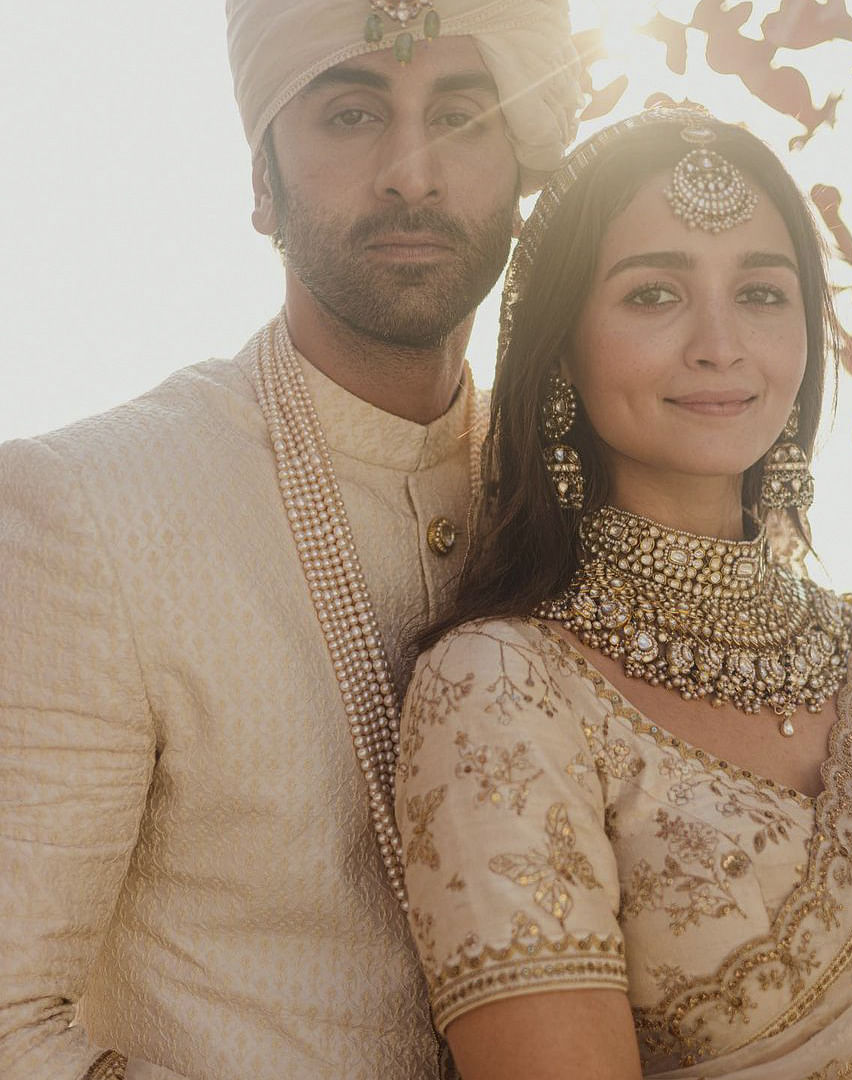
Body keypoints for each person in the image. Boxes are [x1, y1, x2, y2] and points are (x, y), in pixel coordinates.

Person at [395, 107, 852, 1080]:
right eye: (654, 295)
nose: (720, 344)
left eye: (762, 292)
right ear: (559, 350)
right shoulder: (498, 689)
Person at [0, 2, 580, 1078]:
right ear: (262, 182)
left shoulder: (572, 495)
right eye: (352, 115)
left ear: (523, 169)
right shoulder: (88, 507)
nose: (413, 171)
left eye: (462, 115)